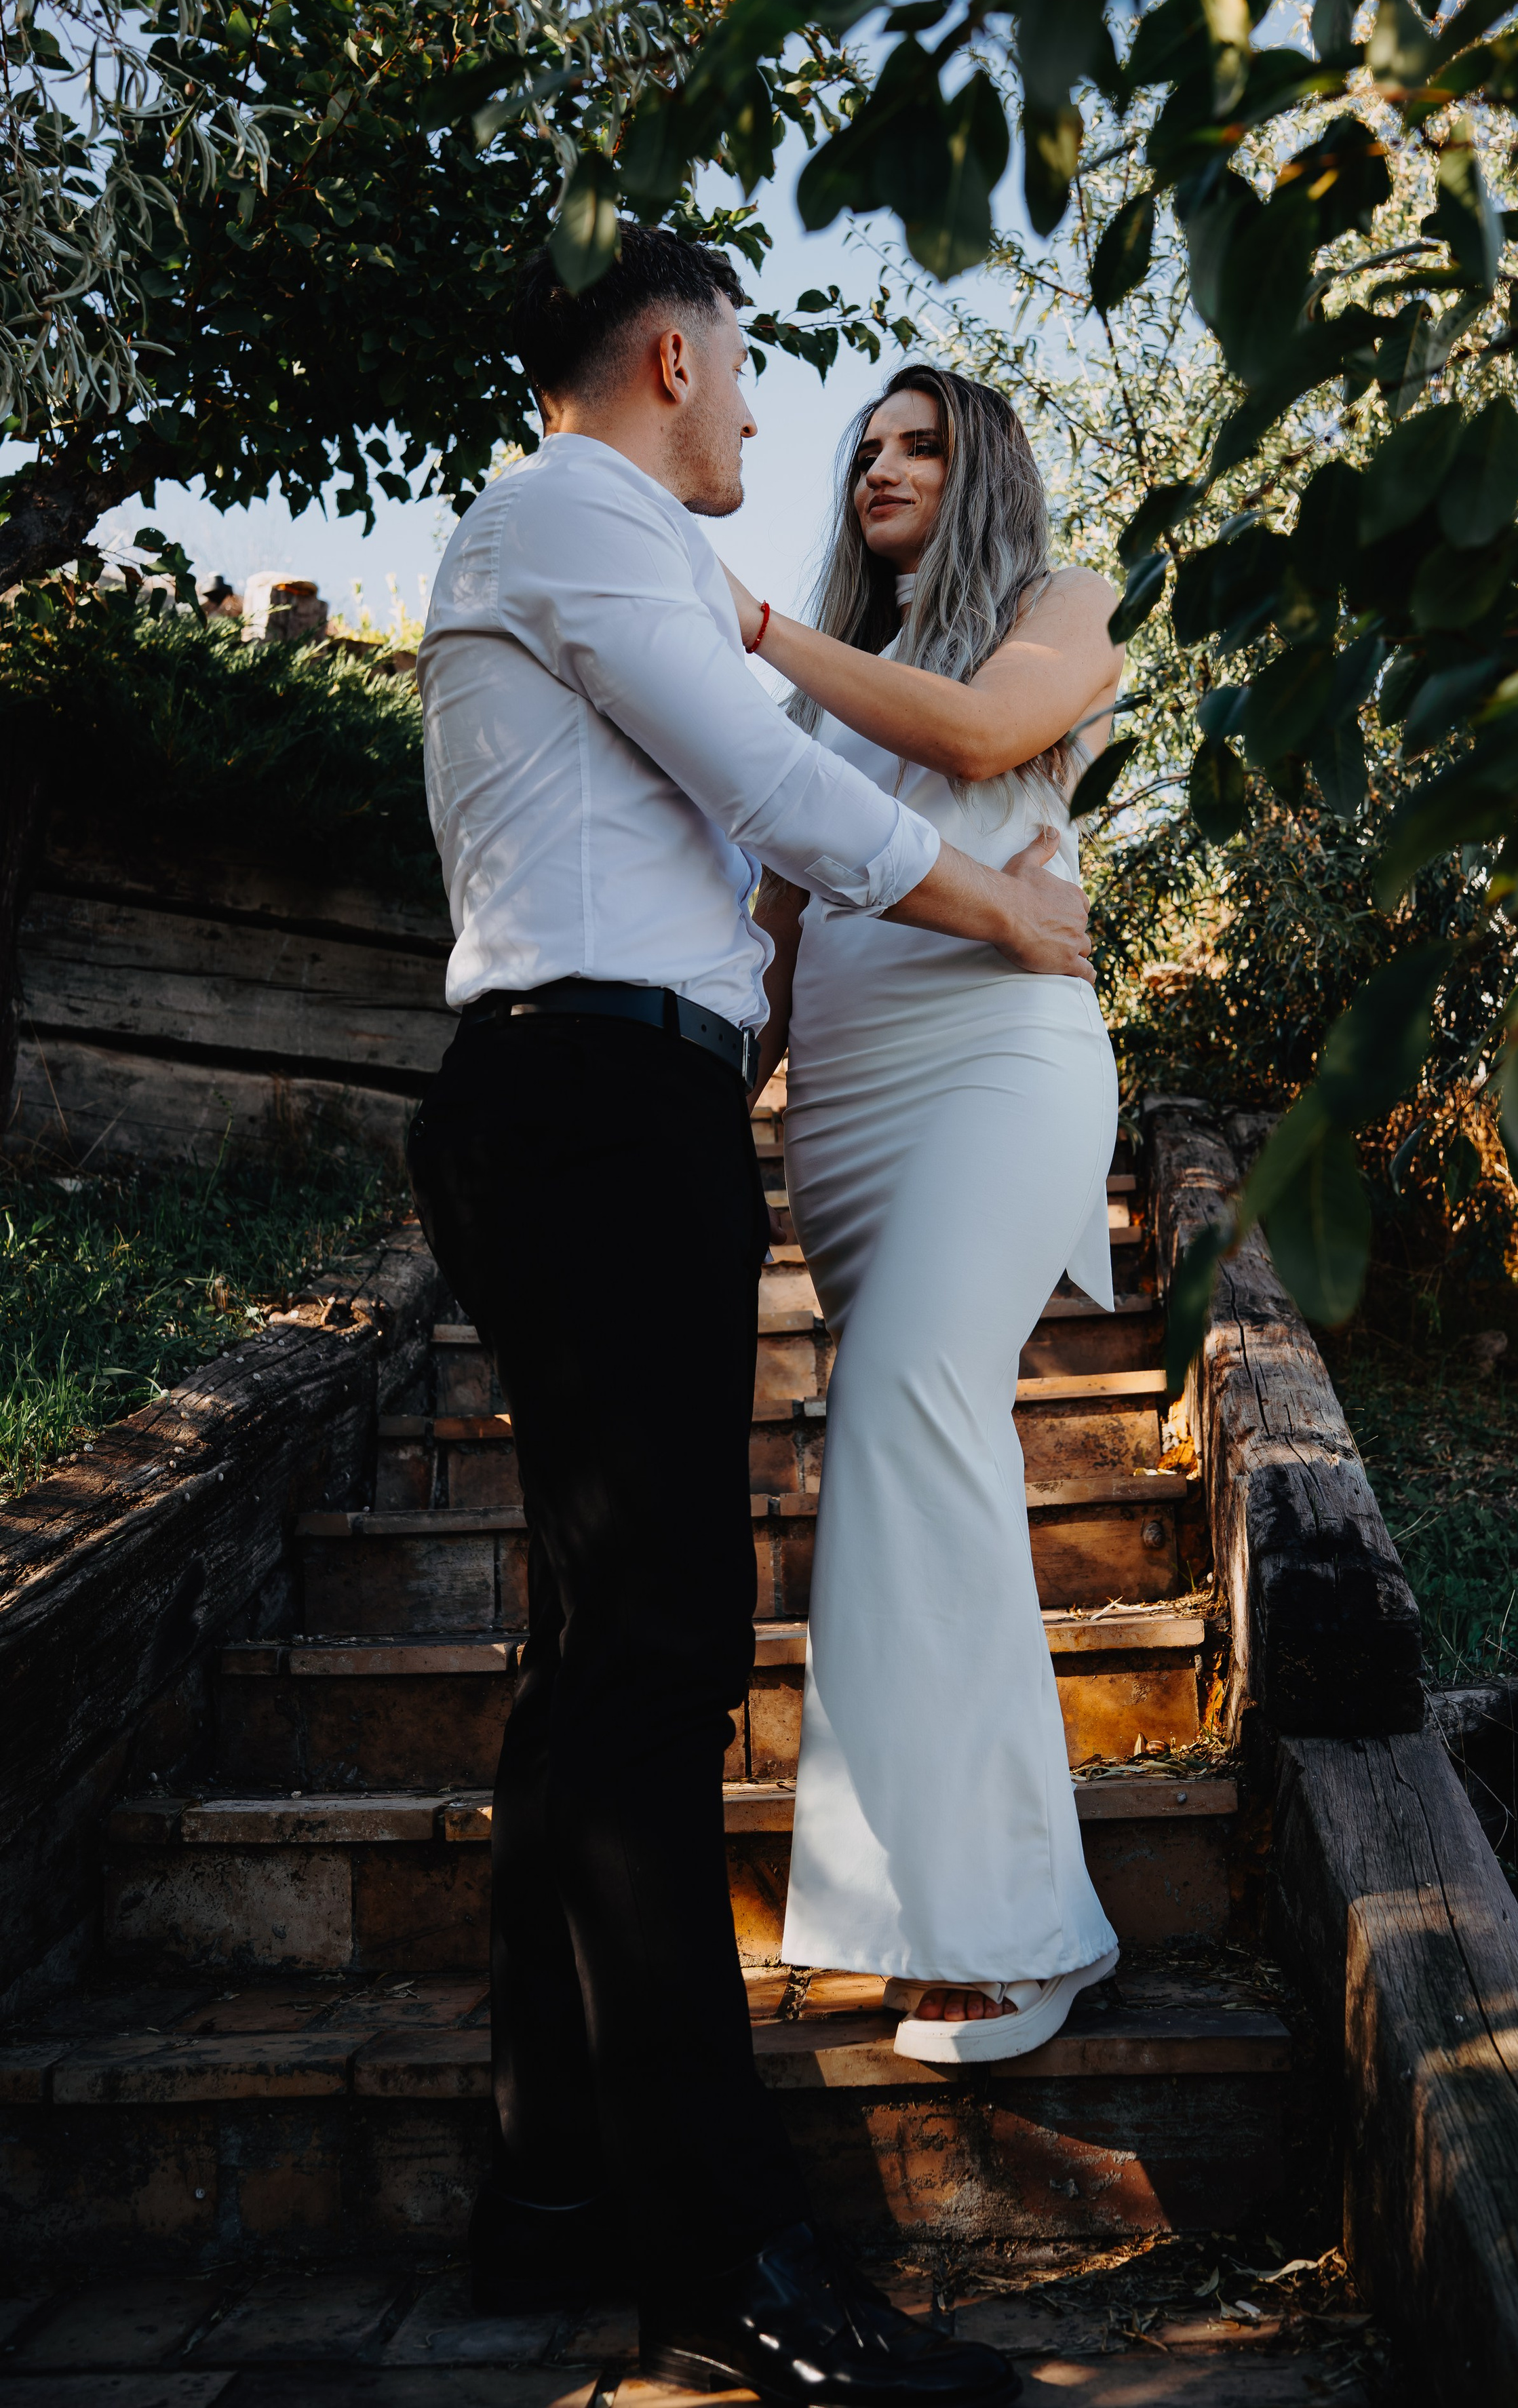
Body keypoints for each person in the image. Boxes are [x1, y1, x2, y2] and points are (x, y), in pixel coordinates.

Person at [406, 229, 1093, 2404]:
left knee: (603, 1659)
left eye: (900, 434)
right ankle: (728, 2259)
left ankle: (550, 2191)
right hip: (599, 1106)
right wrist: (997, 901)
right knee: (662, 1663)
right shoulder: (581, 515)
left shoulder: (618, 547)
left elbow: (773, 827)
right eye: (767, 392)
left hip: (623, 1102)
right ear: (677, 358)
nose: (783, 436)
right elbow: (780, 794)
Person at [722, 367, 1127, 2065]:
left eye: (919, 445)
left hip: (996, 1067)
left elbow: (975, 739)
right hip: (853, 1111)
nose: (880, 467)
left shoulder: (1061, 600)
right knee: (903, 1452)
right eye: (862, 448)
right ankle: (937, 1900)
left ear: (981, 472)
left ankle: (1021, 1920)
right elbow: (774, 935)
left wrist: (750, 630)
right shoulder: (816, 689)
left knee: (902, 1414)